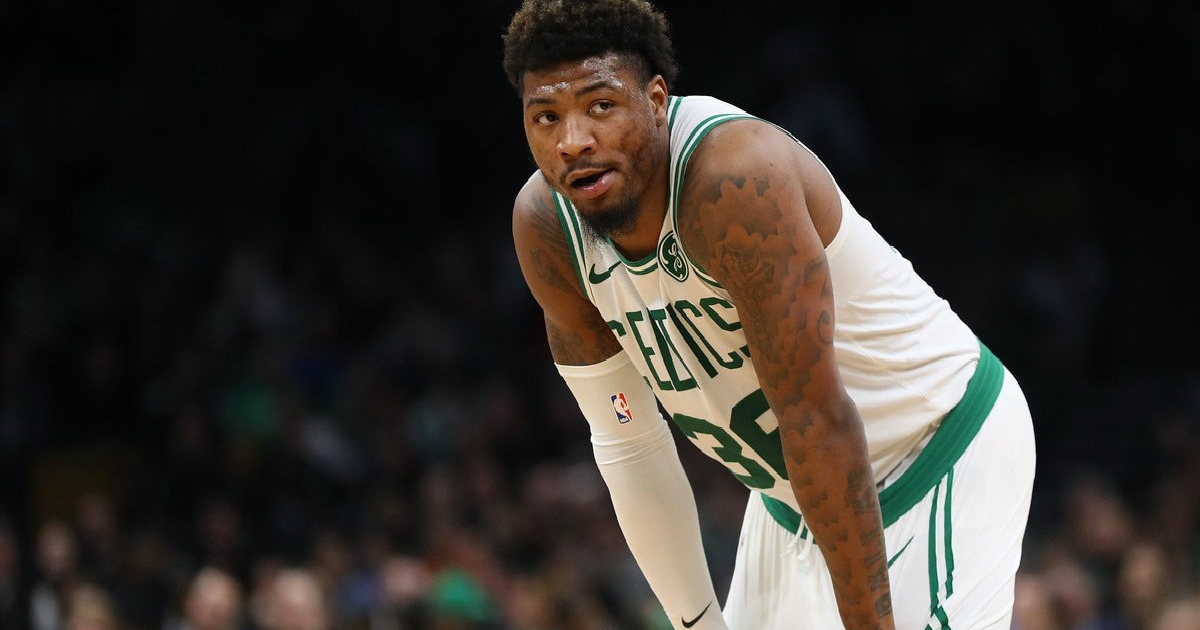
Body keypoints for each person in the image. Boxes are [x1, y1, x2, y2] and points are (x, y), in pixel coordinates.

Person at [502, 1, 1037, 629]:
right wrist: (698, 624)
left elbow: (817, 420)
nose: (573, 141)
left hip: (934, 449)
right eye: (546, 117)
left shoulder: (733, 181)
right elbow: (628, 439)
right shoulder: (547, 230)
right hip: (799, 501)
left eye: (600, 106)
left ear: (656, 100)